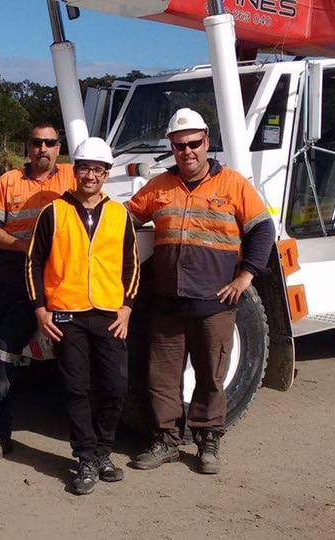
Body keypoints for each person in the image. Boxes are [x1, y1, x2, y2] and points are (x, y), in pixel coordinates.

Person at [126, 108, 275, 474]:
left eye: (193, 143)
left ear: (207, 141)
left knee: (211, 376)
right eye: (179, 146)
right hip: (167, 304)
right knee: (162, 378)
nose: (187, 151)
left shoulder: (233, 185)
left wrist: (246, 277)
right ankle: (166, 441)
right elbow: (124, 218)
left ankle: (208, 442)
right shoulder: (159, 187)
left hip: (215, 304)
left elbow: (263, 229)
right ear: (171, 147)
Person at [26, 137, 139, 495]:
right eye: (85, 168)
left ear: (107, 174)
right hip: (66, 314)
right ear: (75, 171)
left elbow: (132, 265)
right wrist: (40, 308)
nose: (91, 175)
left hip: (109, 313)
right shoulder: (53, 212)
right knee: (77, 389)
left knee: (115, 386)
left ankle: (104, 452)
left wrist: (127, 307)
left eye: (98, 170)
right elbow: (33, 262)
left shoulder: (120, 214)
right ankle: (86, 458)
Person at [0, 124, 76, 463]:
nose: (43, 148)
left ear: (59, 148)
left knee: (3, 353)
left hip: (34, 284)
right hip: (0, 277)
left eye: (50, 143)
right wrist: (24, 245)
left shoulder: (71, 177)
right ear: (28, 147)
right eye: (37, 142)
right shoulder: (8, 181)